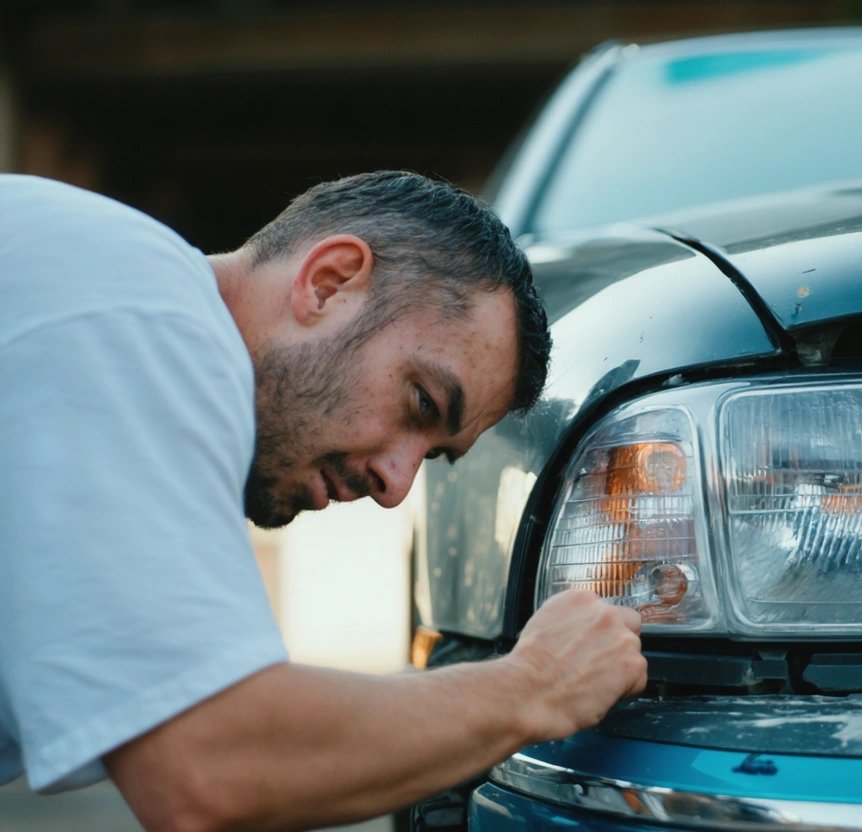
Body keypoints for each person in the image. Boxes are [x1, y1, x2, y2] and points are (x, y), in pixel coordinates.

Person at [0, 171, 648, 831]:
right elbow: (210, 764)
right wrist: (536, 685)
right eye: (420, 401)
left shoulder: (102, 296)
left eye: (430, 455)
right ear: (329, 282)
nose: (397, 487)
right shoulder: (138, 315)